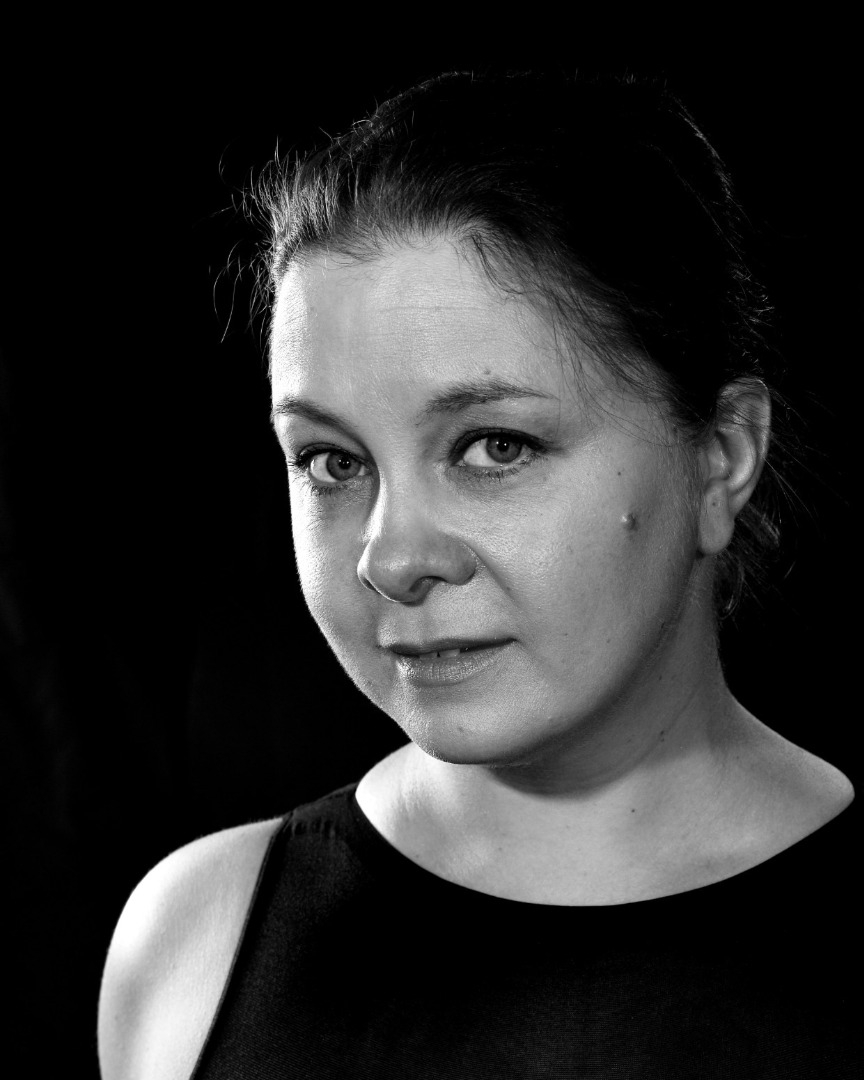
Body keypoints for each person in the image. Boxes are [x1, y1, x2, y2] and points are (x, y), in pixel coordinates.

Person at [97, 70, 858, 1078]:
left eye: (494, 447)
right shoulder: (195, 945)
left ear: (721, 456)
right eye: (332, 462)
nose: (391, 558)